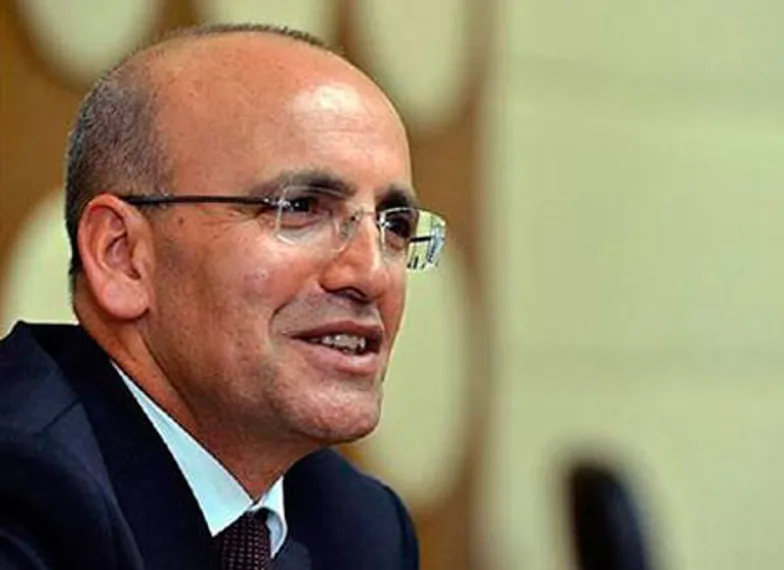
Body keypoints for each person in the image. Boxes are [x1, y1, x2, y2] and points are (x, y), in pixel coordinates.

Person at [0, 23, 446, 570]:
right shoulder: (21, 487)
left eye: (394, 226)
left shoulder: (360, 525)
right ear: (122, 256)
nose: (371, 273)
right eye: (301, 208)